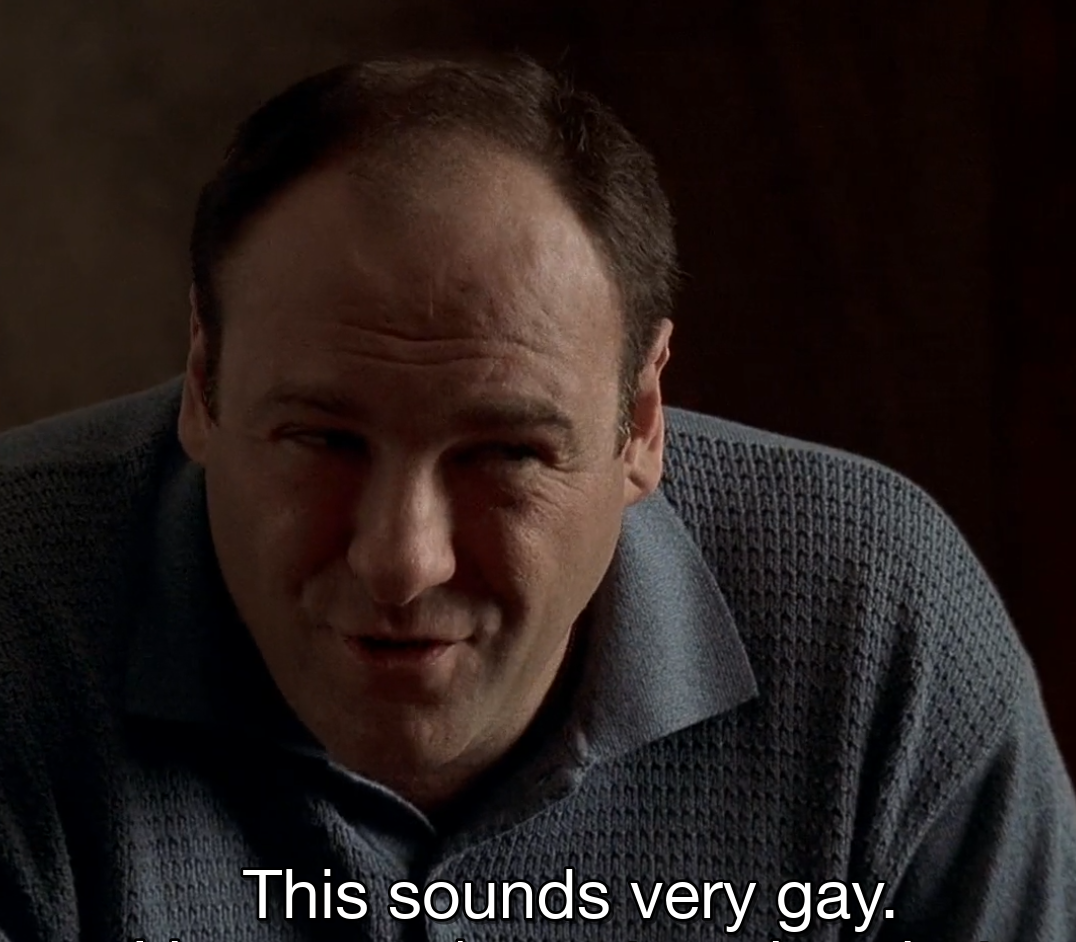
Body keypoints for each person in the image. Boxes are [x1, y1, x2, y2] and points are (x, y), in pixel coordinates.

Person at [0, 53, 1072, 942]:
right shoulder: (18, 611)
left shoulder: (875, 624)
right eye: (322, 439)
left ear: (639, 422)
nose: (401, 560)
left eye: (504, 453)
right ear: (203, 384)